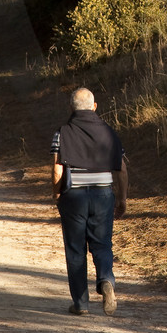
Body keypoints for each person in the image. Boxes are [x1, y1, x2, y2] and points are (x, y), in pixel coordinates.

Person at [51, 87, 128, 315]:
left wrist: (56, 194)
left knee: (75, 249)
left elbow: (57, 170)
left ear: (71, 108)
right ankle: (106, 280)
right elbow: (122, 169)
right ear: (94, 107)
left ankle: (81, 304)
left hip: (74, 196)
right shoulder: (109, 132)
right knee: (102, 244)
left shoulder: (62, 132)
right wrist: (122, 197)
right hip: (103, 194)